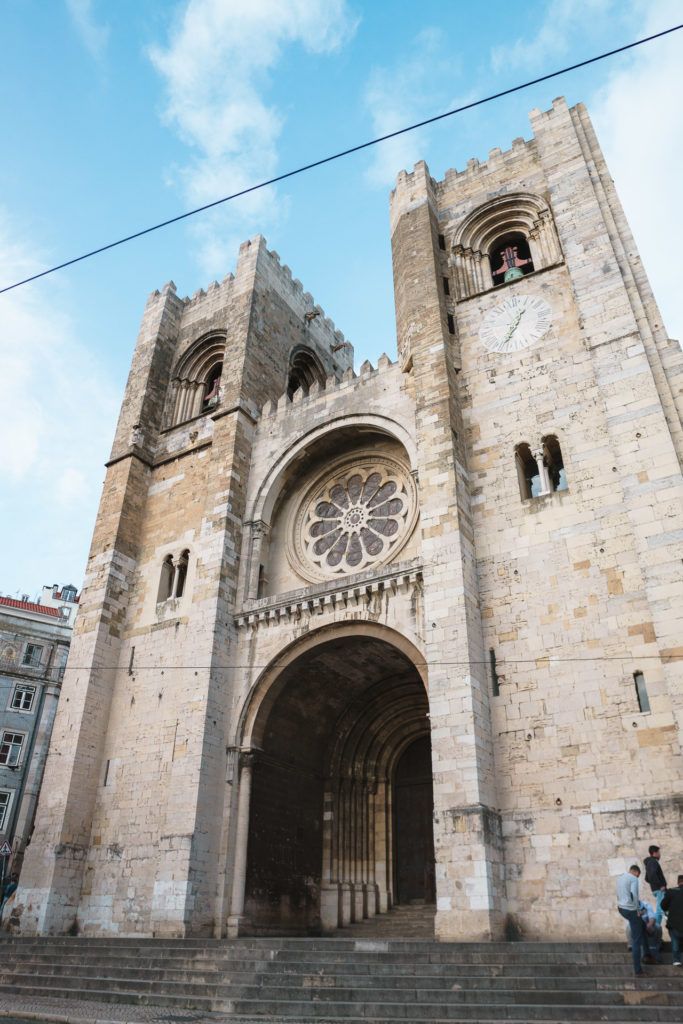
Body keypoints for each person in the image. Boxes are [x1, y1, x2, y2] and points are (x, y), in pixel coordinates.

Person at [617, 864, 648, 975]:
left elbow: (618, 894)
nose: (638, 878)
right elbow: (634, 895)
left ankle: (648, 954)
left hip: (621, 908)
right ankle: (638, 970)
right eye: (638, 876)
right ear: (636, 872)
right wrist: (638, 910)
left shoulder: (620, 878)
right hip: (631, 910)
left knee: (642, 925)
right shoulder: (633, 878)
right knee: (636, 941)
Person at [661, 873, 683, 967]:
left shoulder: (671, 892)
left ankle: (676, 960)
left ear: (678, 882)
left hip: (673, 922)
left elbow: (663, 905)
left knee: (675, 941)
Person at [644, 845, 667, 927]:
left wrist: (653, 885)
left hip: (656, 889)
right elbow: (652, 875)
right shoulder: (653, 862)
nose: (660, 854)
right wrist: (660, 885)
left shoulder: (649, 863)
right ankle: (655, 930)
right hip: (659, 889)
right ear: (654, 853)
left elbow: (647, 878)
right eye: (659, 852)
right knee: (660, 910)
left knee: (661, 910)